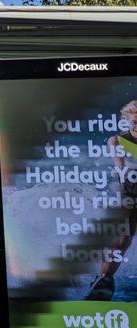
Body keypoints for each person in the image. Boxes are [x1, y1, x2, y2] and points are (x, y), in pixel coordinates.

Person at [86, 100, 137, 300]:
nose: (136, 125)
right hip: (130, 192)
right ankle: (102, 280)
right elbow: (121, 170)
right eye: (134, 122)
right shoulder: (116, 140)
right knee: (124, 238)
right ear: (127, 121)